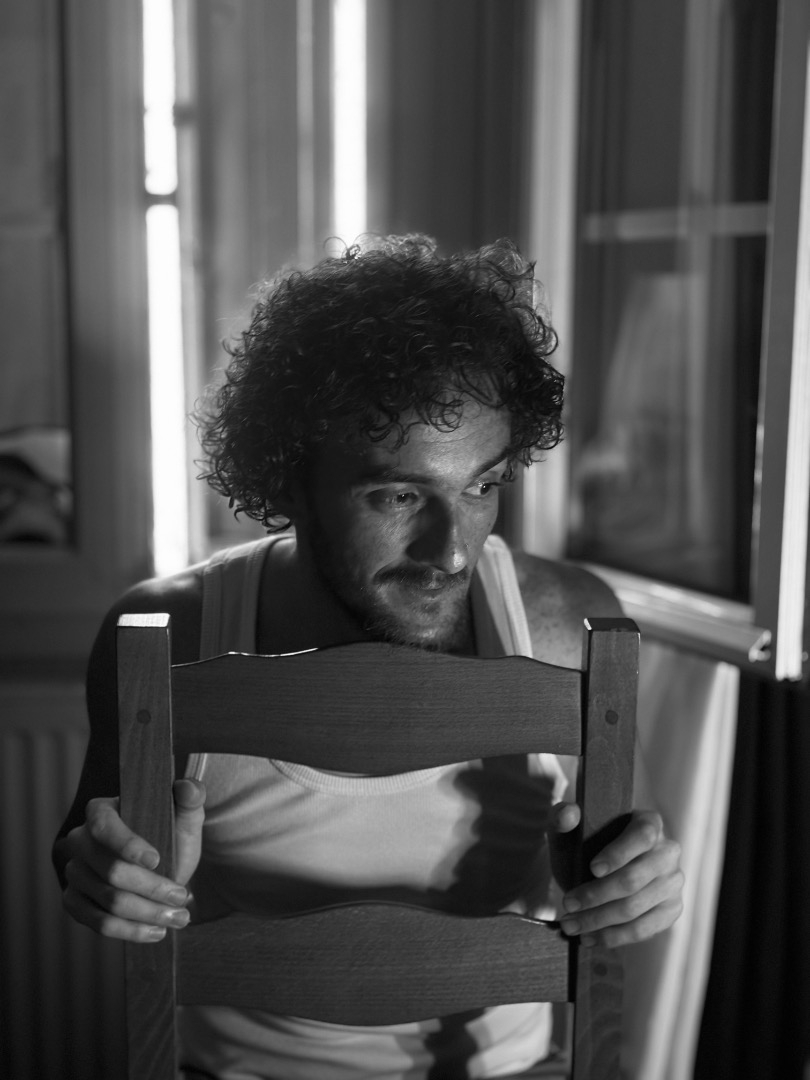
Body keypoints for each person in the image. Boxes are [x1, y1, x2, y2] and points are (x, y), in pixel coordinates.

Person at [53, 235, 683, 1079]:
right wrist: (104, 876)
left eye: (481, 486)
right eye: (398, 495)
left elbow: (628, 850)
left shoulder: (569, 628)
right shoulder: (168, 633)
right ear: (288, 480)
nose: (451, 552)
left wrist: (637, 882)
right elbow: (86, 847)